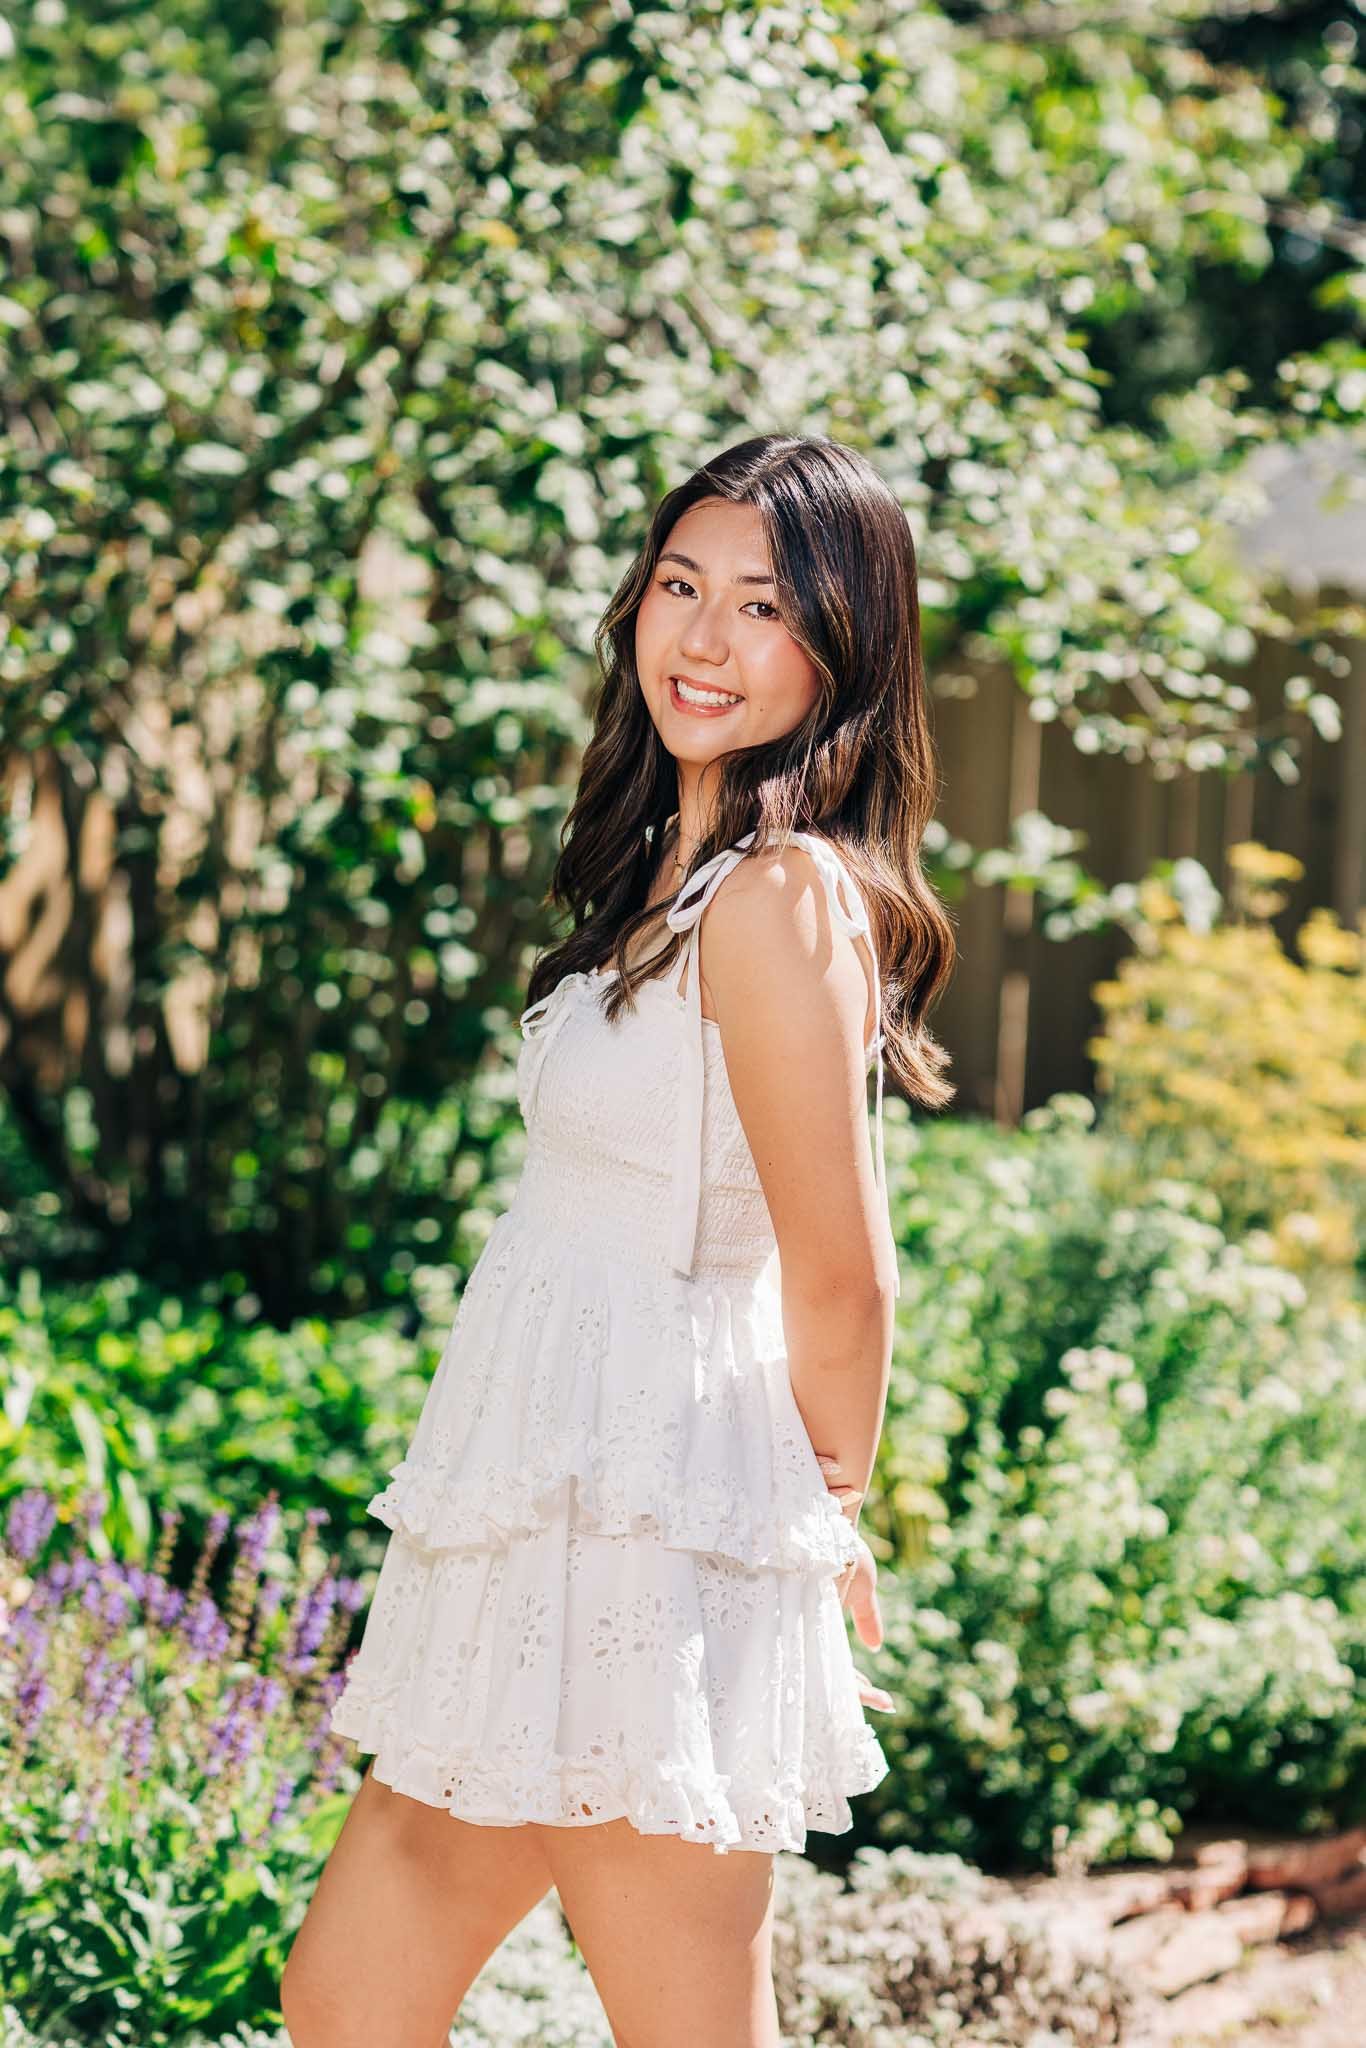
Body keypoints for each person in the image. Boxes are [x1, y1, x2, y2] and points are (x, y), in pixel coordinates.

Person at [281, 432, 956, 2048]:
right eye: (677, 588)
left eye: (763, 608)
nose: (701, 642)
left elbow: (842, 1268)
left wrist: (816, 1529)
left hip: (662, 1532)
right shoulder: (669, 869)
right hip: (543, 1521)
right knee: (347, 2000)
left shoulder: (780, 897)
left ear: (842, 651)